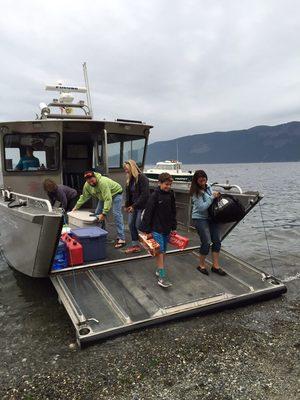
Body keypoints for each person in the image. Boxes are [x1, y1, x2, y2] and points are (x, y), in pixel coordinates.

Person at [140, 172, 177, 288]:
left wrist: (173, 227)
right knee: (160, 252)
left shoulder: (171, 194)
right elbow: (148, 213)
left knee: (164, 251)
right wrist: (146, 230)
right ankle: (161, 277)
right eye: (166, 184)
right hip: (156, 229)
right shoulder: (154, 196)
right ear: (159, 183)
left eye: (170, 184)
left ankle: (158, 270)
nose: (168, 187)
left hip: (166, 228)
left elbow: (173, 211)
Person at [72, 171, 126, 248]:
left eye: (92, 180)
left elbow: (108, 199)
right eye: (88, 181)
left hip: (116, 194)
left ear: (95, 177)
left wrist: (104, 213)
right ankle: (102, 236)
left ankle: (122, 238)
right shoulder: (87, 185)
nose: (91, 183)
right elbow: (84, 197)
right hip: (102, 196)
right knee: (97, 214)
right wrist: (76, 207)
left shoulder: (102, 182)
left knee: (116, 214)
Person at [190, 170, 227, 276]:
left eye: (204, 178)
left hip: (212, 217)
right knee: (206, 242)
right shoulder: (195, 192)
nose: (202, 181)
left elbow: (212, 200)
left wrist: (217, 195)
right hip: (200, 218)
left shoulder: (209, 187)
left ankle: (215, 266)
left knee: (217, 241)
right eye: (200, 179)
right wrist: (212, 197)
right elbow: (201, 208)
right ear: (196, 181)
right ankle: (201, 265)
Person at [124, 160, 150, 254]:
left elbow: (145, 195)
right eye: (125, 169)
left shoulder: (142, 178)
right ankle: (135, 245)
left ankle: (150, 241)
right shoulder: (130, 179)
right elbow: (128, 194)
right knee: (131, 224)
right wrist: (127, 205)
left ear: (132, 167)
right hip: (134, 206)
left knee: (139, 225)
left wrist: (134, 206)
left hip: (142, 205)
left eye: (127, 169)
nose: (125, 171)